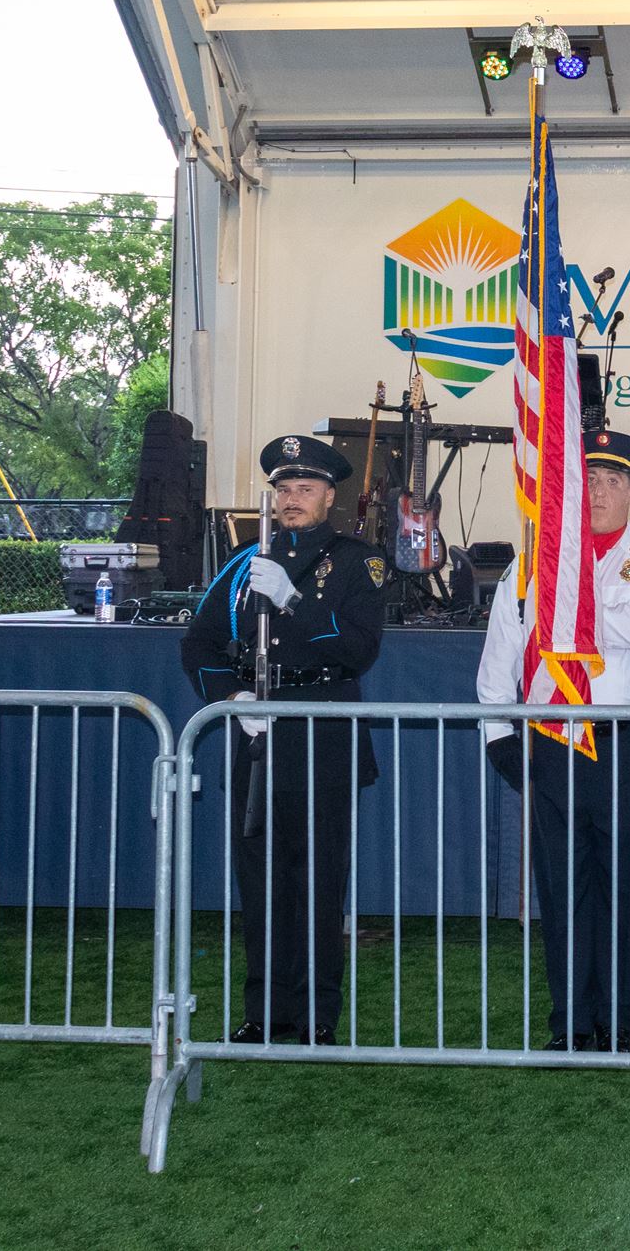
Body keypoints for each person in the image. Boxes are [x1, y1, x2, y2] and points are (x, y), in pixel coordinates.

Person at [476, 429, 630, 1052]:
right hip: (552, 739)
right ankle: (568, 1024)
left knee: (623, 886)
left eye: (612, 481)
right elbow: (500, 657)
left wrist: (567, 612)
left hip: (624, 741)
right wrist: (499, 736)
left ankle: (617, 1024)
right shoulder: (531, 563)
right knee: (562, 888)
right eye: (588, 479)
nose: (596, 491)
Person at [179, 434, 387, 1045]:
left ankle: (318, 1016)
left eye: (305, 489)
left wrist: (293, 601)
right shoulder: (245, 560)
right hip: (257, 733)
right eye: (283, 489)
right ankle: (265, 1011)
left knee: (319, 885)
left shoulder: (356, 560)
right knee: (262, 881)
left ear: (329, 497)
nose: (292, 499)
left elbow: (359, 648)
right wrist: (234, 698)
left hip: (321, 729)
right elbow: (199, 643)